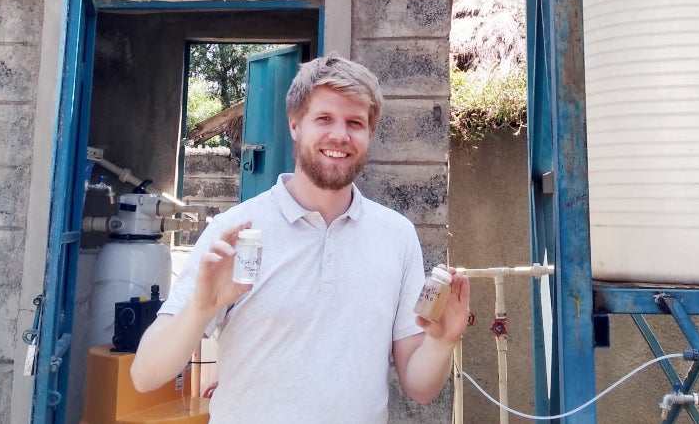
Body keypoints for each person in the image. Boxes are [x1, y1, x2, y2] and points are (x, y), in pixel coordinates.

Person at [130, 54, 470, 423]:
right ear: (295, 125)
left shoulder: (396, 235)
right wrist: (200, 309)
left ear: (369, 134)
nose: (340, 135)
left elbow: (420, 387)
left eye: (354, 122)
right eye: (324, 118)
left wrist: (441, 342)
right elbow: (146, 376)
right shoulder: (236, 230)